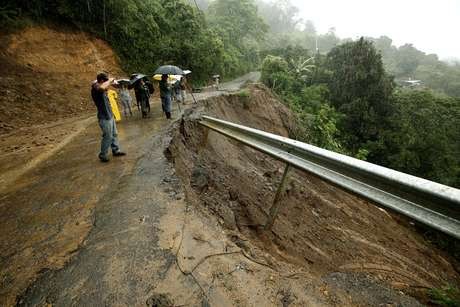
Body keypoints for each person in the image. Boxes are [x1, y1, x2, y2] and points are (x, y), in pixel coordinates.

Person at [91, 72, 126, 163]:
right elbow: (101, 86)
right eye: (106, 82)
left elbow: (115, 86)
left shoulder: (101, 87)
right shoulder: (96, 89)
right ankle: (103, 154)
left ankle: (116, 150)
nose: (108, 86)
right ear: (102, 81)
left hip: (110, 115)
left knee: (114, 134)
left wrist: (112, 82)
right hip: (104, 117)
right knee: (108, 136)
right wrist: (109, 80)